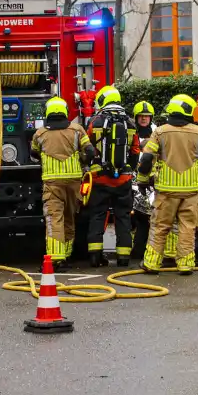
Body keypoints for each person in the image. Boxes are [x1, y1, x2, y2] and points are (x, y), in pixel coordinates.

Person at [137, 94, 198, 275]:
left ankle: (151, 264)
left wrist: (142, 181)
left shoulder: (160, 132)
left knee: (160, 227)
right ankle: (185, 265)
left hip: (166, 190)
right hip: (191, 191)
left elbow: (147, 159)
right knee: (187, 228)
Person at [32, 97, 96, 269]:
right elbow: (90, 151)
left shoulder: (40, 133)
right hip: (74, 182)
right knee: (69, 219)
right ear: (65, 111)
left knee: (54, 218)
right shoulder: (77, 130)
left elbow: (34, 153)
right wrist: (82, 162)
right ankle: (66, 255)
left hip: (52, 184)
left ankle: (54, 258)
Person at [85, 86, 140, 267]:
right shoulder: (130, 123)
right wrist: (128, 169)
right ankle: (123, 258)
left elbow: (87, 145)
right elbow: (135, 150)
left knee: (98, 215)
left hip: (100, 179)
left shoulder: (96, 121)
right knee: (123, 217)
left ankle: (94, 257)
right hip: (123, 180)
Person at [130, 101, 156, 259]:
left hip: (152, 179)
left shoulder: (157, 132)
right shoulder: (131, 131)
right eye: (141, 116)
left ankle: (148, 248)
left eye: (147, 116)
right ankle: (138, 248)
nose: (144, 119)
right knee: (137, 216)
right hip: (134, 179)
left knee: (151, 216)